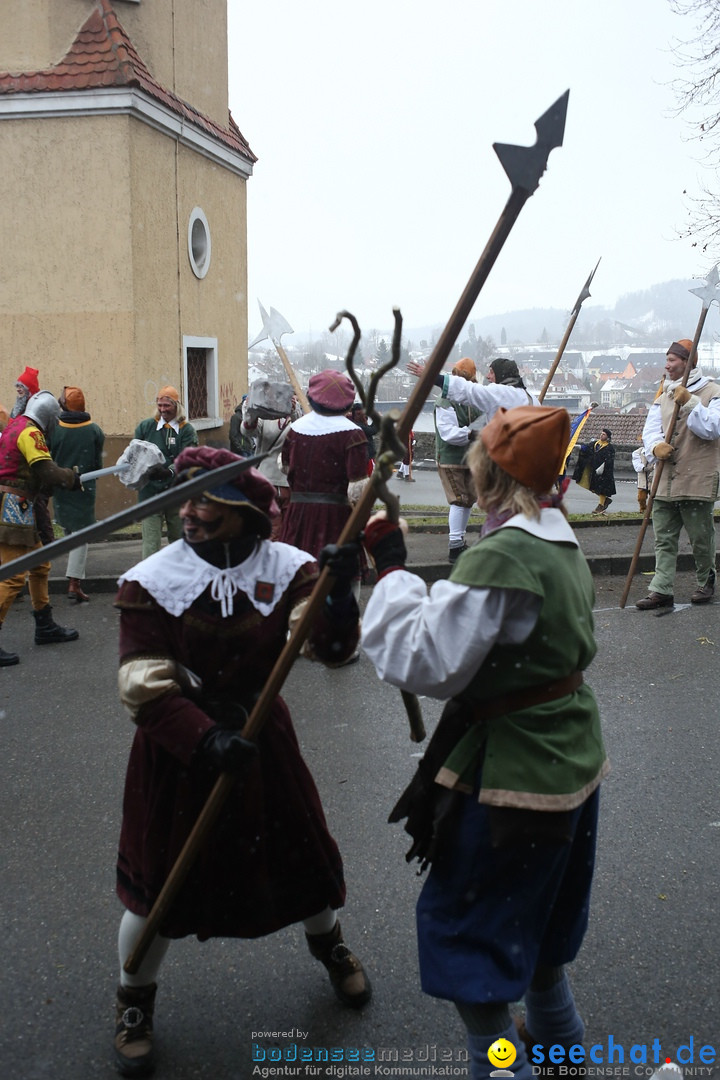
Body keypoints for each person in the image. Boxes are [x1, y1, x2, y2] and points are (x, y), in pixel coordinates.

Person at [361, 405, 608, 1080]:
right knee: (543, 926)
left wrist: (390, 573)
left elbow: (425, 660)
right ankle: (561, 1053)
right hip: (571, 761)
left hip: (518, 777)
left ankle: (503, 1068)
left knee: (473, 941)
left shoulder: (504, 554)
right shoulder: (559, 541)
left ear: (491, 481)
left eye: (474, 478)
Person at [112, 445, 371, 1076]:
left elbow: (332, 653)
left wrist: (337, 599)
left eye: (205, 502)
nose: (189, 514)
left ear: (241, 510)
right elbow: (142, 686)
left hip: (260, 738)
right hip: (180, 749)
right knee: (160, 889)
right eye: (186, 500)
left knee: (298, 855)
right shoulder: (150, 580)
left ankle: (331, 948)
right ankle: (133, 1003)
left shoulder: (289, 569)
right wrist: (203, 739)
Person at [408, 356, 539, 561]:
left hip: (506, 467)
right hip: (527, 466)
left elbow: (467, 391)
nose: (487, 376)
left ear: (501, 375)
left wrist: (431, 376)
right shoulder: (532, 398)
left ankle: (506, 552)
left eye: (491, 372)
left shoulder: (499, 393)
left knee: (501, 508)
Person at [636, 338, 720, 609]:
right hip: (664, 480)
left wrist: (693, 403)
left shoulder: (713, 392)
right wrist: (655, 446)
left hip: (697, 477)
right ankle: (661, 589)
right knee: (664, 539)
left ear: (687, 362)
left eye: (672, 360)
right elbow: (651, 429)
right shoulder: (664, 395)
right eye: (667, 359)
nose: (667, 365)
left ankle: (706, 580)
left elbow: (712, 429)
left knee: (700, 538)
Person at [0, 390, 82, 665]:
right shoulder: (31, 433)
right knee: (12, 576)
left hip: (17, 503)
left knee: (40, 564)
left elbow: (31, 474)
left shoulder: (15, 425)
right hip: (12, 506)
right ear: (47, 418)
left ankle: (44, 625)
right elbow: (46, 471)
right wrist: (70, 477)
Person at [279, 369, 369, 565]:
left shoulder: (295, 430)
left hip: (298, 515)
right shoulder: (353, 434)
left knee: (298, 573)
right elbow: (358, 491)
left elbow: (284, 467)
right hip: (335, 518)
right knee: (339, 578)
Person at [49, 386, 105, 602]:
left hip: (62, 486)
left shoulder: (55, 430)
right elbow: (97, 464)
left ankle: (73, 580)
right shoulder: (94, 431)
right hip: (85, 487)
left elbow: (50, 458)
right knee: (82, 536)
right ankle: (74, 582)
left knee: (70, 531)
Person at [134, 386, 198, 559]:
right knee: (150, 542)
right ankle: (149, 580)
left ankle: (179, 576)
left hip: (176, 492)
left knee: (178, 540)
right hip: (150, 493)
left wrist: (168, 472)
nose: (163, 410)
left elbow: (188, 458)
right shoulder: (146, 427)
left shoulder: (186, 430)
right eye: (160, 405)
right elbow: (135, 453)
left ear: (176, 405)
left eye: (167, 406)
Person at [239, 386, 303, 538]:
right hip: (267, 480)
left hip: (291, 482)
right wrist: (251, 413)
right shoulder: (265, 416)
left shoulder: (299, 417)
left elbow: (302, 434)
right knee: (271, 530)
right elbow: (248, 431)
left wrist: (294, 411)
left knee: (292, 529)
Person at [571, 428, 616, 515]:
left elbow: (609, 460)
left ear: (608, 437)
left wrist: (603, 467)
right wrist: (578, 446)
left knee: (602, 489)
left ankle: (601, 505)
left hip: (604, 472)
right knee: (593, 487)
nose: (601, 435)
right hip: (594, 470)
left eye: (604, 434)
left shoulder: (609, 448)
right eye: (601, 433)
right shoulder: (595, 444)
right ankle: (605, 500)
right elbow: (587, 449)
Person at [348, 401, 379, 475]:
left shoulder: (358, 424)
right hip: (366, 456)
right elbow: (372, 431)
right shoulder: (358, 425)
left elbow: (369, 429)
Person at [631, 445, 652, 512]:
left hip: (653, 477)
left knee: (654, 497)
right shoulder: (638, 452)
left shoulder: (656, 450)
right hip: (643, 478)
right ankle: (643, 509)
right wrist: (644, 468)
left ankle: (652, 510)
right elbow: (636, 464)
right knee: (641, 498)